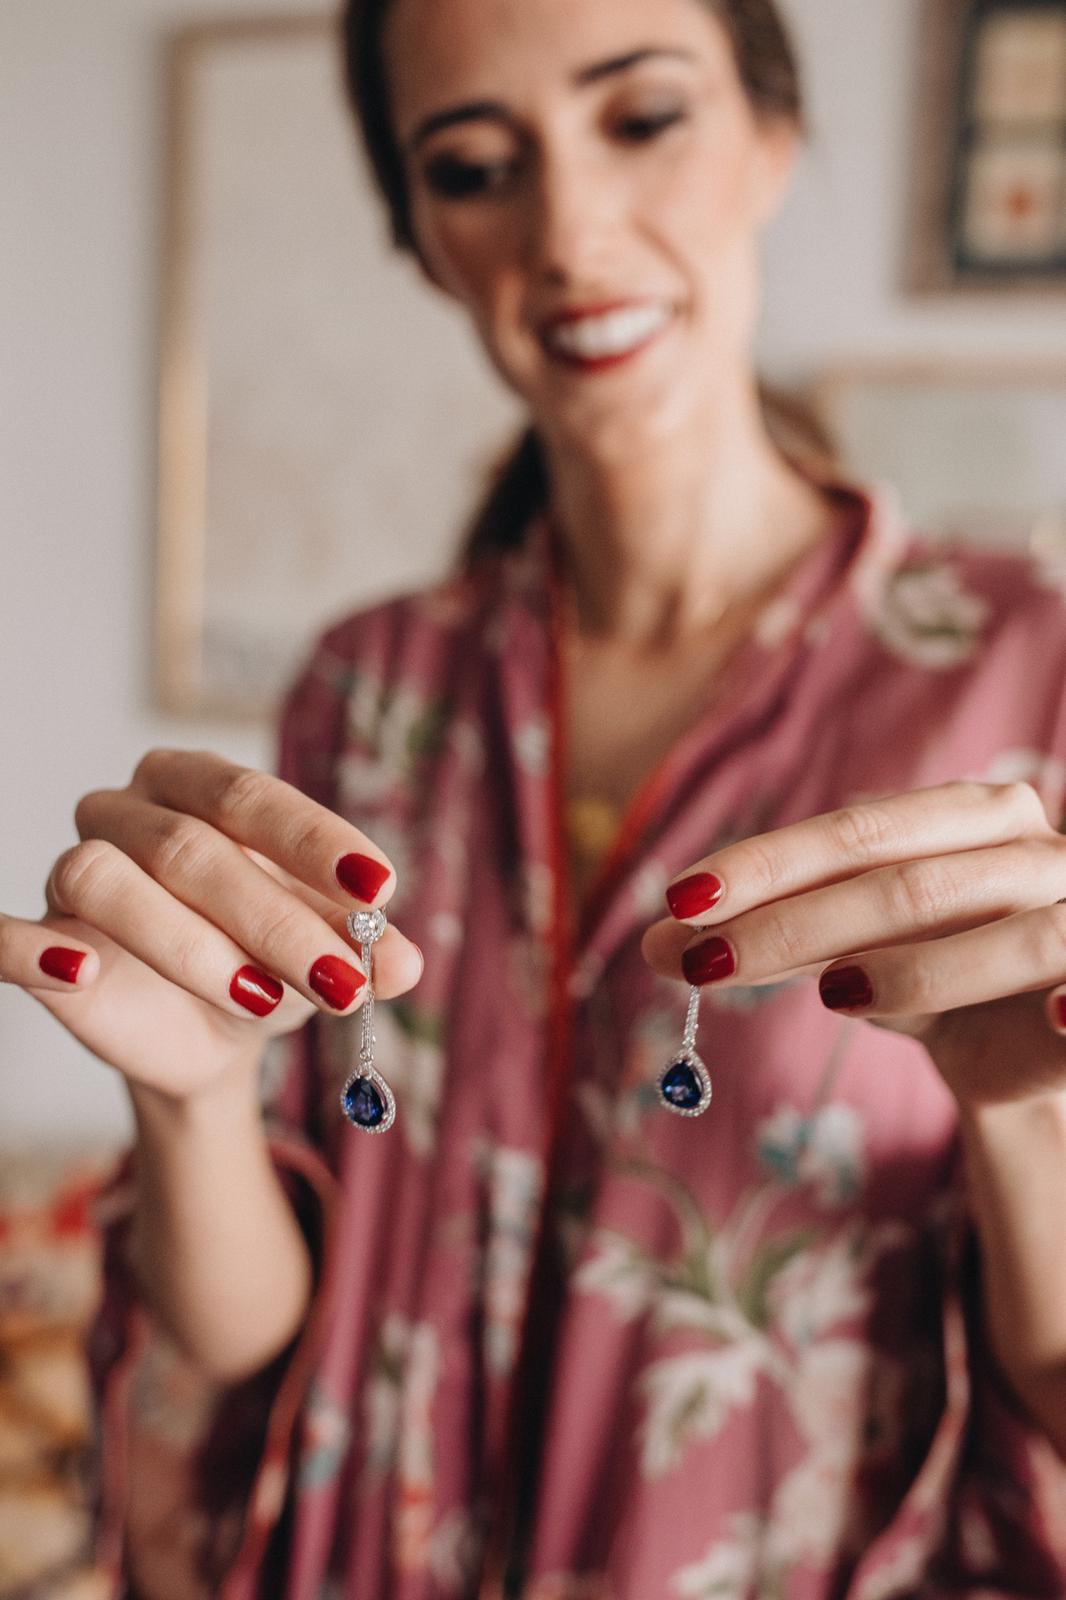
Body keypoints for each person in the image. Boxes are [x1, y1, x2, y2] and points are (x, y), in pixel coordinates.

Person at [5, 0, 1066, 1592]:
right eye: (476, 166)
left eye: (639, 119)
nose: (567, 231)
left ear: (771, 139)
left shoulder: (1025, 674)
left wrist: (1029, 1107)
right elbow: (239, 1344)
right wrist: (194, 1096)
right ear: (423, 239)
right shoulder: (361, 692)